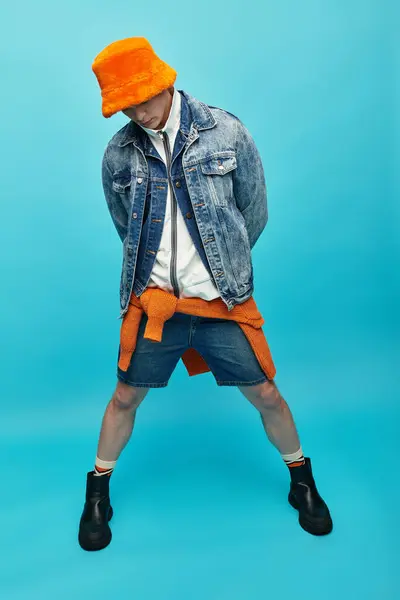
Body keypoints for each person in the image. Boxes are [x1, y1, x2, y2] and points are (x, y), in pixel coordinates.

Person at [78, 36, 333, 551]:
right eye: (126, 105)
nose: (138, 112)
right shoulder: (117, 154)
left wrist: (223, 269)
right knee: (125, 396)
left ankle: (301, 479)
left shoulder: (226, 133)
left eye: (143, 99)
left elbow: (252, 212)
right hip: (155, 308)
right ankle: (97, 491)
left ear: (164, 82)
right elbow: (126, 227)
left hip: (221, 304)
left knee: (265, 392)